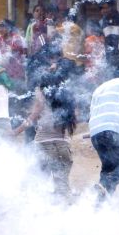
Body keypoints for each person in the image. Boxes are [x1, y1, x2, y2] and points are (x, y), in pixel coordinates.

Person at [14, 47, 76, 202]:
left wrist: (15, 131)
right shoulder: (67, 96)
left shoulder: (41, 91)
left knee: (36, 185)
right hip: (63, 147)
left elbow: (33, 116)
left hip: (44, 145)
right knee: (62, 190)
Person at [88, 76, 119, 202]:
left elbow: (92, 112)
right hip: (112, 129)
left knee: (108, 168)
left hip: (95, 131)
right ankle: (106, 185)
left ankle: (100, 204)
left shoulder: (99, 89)